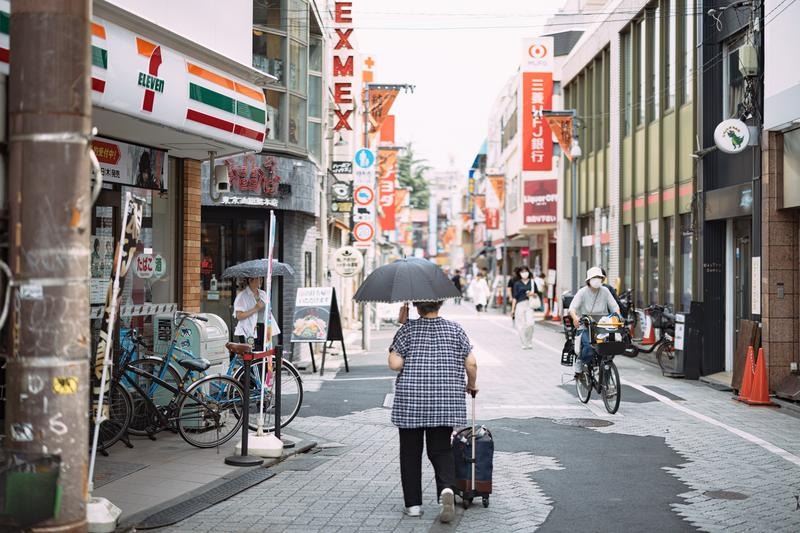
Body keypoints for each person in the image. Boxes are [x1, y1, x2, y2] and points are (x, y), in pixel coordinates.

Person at [388, 300, 478, 523]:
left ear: (417, 306)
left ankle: (413, 506)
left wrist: (401, 327)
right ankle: (446, 489)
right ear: (440, 304)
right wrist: (471, 384)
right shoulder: (455, 329)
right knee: (441, 450)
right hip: (445, 401)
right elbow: (471, 363)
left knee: (410, 453)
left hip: (412, 401)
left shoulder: (408, 329)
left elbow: (395, 364)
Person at [568, 266, 621, 376]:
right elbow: (572, 308)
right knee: (589, 348)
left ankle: (605, 373)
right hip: (585, 325)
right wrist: (575, 318)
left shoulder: (605, 291)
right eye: (594, 277)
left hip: (602, 326)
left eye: (599, 277)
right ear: (589, 280)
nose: (597, 280)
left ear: (602, 279)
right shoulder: (582, 292)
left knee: (609, 347)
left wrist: (618, 317)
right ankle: (580, 361)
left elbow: (615, 307)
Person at [233, 277, 281, 353]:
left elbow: (268, 311)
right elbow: (239, 316)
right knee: (252, 354)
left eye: (261, 278)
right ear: (250, 280)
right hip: (249, 330)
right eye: (258, 278)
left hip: (263, 328)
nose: (261, 280)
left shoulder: (263, 294)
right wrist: (255, 309)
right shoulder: (242, 296)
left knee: (264, 353)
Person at [512, 266, 536, 349]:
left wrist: (533, 294)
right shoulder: (517, 284)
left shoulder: (532, 282)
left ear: (529, 272)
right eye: (522, 272)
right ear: (519, 273)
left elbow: (537, 294)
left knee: (530, 324)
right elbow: (515, 297)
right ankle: (524, 342)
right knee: (521, 325)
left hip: (529, 304)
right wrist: (512, 309)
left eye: (526, 271)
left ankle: (529, 341)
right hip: (520, 305)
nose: (524, 273)